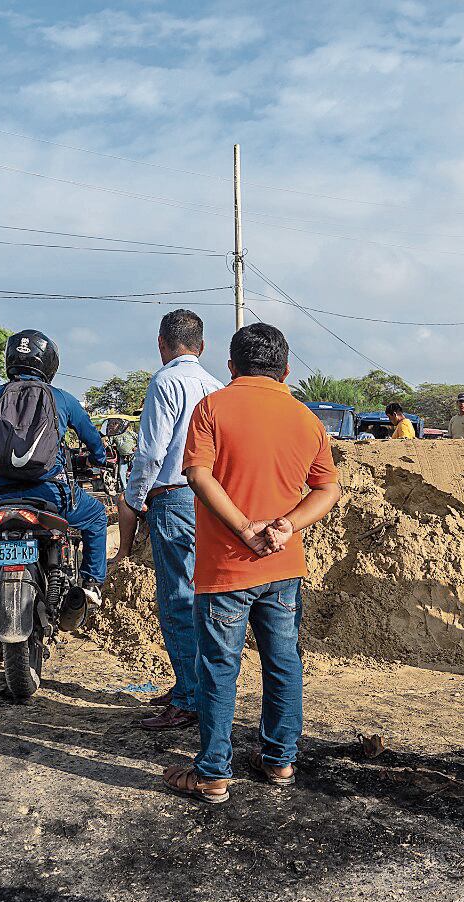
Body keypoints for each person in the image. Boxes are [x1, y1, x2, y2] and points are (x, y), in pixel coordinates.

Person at [162, 323, 341, 804]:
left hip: (225, 569)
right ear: (286, 370)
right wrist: (286, 526)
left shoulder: (212, 408)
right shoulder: (306, 419)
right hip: (283, 567)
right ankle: (280, 760)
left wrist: (244, 528)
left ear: (231, 366)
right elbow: (327, 489)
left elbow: (198, 475)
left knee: (218, 668)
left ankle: (213, 775)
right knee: (283, 663)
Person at [0, 329, 110, 661]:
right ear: (49, 364)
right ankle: (91, 583)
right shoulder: (62, 399)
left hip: (0, 498)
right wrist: (100, 459)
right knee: (96, 517)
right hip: (50, 496)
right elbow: (92, 438)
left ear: (10, 359)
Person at [112, 309, 223, 731]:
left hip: (173, 497)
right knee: (200, 598)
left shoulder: (165, 382)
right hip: (209, 500)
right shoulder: (216, 387)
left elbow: (152, 452)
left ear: (162, 343)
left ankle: (189, 698)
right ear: (202, 346)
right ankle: (191, 688)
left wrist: (134, 498)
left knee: (177, 600)